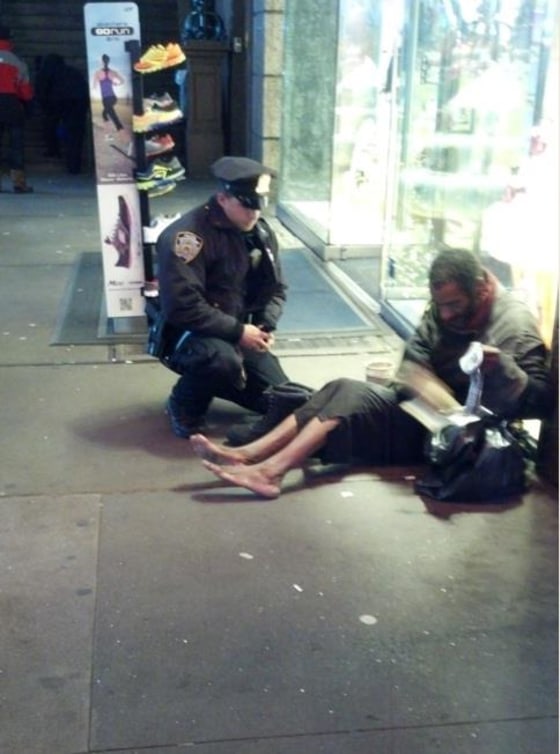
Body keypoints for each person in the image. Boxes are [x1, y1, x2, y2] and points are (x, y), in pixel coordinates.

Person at [190, 248, 553, 498]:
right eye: (440, 306)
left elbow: (537, 403)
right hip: (428, 415)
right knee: (341, 387)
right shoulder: (448, 306)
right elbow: (415, 356)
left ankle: (270, 472)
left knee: (350, 397)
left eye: (454, 305)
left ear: (483, 289)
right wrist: (421, 381)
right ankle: (251, 455)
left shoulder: (514, 325)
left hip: (461, 440)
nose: (445, 315)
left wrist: (503, 370)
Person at [156, 155, 293, 439]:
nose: (254, 214)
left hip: (239, 332)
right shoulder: (187, 238)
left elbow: (277, 288)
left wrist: (266, 324)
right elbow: (182, 307)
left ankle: (228, 377)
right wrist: (239, 331)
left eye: (260, 204)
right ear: (222, 198)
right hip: (190, 335)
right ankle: (184, 403)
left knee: (282, 402)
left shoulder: (260, 232)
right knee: (220, 363)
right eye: (246, 205)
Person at [35, 53, 89, 174]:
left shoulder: (45, 72)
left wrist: (44, 108)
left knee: (50, 126)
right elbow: (84, 88)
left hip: (56, 103)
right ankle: (74, 166)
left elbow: (41, 91)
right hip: (78, 103)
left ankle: (53, 150)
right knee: (75, 136)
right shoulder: (73, 72)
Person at [0, 24, 33, 193]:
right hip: (11, 105)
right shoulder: (17, 61)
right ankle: (19, 184)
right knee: (16, 146)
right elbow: (25, 90)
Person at [91, 54, 125, 141]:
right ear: (108, 61)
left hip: (106, 98)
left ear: (102, 61)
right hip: (113, 98)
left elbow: (94, 86)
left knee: (109, 114)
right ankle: (113, 134)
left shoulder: (98, 73)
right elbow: (122, 81)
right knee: (106, 114)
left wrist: (97, 84)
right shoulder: (113, 72)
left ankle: (118, 131)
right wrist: (115, 83)